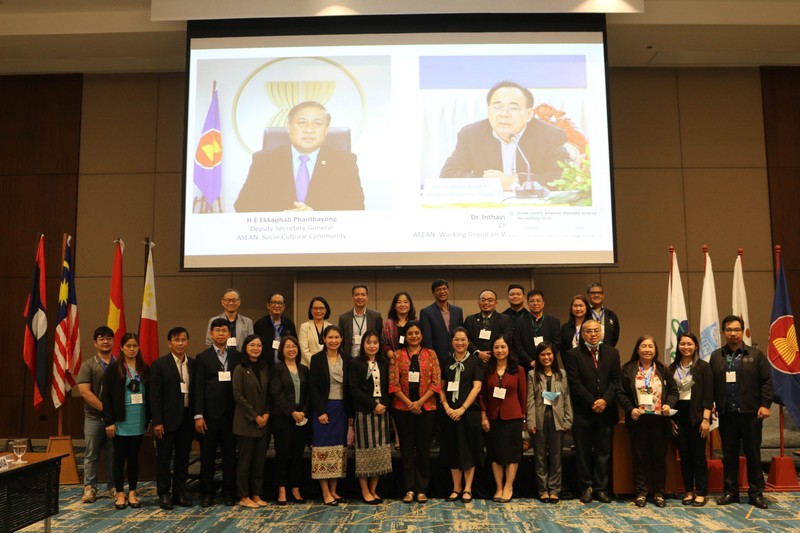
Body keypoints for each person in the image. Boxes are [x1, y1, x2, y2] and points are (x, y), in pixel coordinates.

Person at [234, 100, 365, 212]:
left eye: (317, 124)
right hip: (277, 237)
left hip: (325, 239)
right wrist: (280, 218)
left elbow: (356, 208)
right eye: (302, 122)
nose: (309, 130)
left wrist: (317, 217)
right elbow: (243, 206)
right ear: (289, 127)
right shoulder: (264, 161)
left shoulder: (345, 163)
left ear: (326, 130)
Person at [439, 80, 569, 189]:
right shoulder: (471, 134)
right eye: (497, 107)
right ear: (489, 111)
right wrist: (487, 181)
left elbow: (564, 177)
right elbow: (448, 175)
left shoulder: (550, 136)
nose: (504, 114)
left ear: (529, 114)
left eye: (513, 108)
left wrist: (513, 181)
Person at [710, 315, 773, 509]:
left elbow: (767, 382)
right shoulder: (716, 356)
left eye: (737, 330)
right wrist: (711, 403)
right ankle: (731, 492)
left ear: (743, 331)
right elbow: (711, 383)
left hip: (751, 414)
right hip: (726, 414)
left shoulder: (755, 355)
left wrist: (765, 405)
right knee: (728, 454)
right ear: (723, 332)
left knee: (753, 454)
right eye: (729, 330)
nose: (733, 334)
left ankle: (756, 493)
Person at [616, 335, 678, 508]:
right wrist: (630, 409)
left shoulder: (663, 369)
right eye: (643, 346)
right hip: (638, 420)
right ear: (637, 349)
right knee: (639, 458)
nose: (647, 350)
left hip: (659, 421)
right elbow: (620, 392)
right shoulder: (628, 369)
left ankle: (659, 492)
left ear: (655, 350)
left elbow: (674, 391)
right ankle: (641, 493)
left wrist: (668, 405)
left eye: (650, 346)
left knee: (659, 458)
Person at [563, 319, 620, 504]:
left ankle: (601, 488)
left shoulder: (612, 353)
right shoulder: (573, 354)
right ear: (582, 334)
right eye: (589, 331)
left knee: (604, 452)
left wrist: (604, 400)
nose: (593, 334)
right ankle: (585, 487)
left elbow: (615, 381)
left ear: (601, 333)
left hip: (606, 411)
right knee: (583, 452)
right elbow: (575, 383)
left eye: (596, 331)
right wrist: (592, 402)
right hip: (583, 412)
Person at [389, 321, 441, 503]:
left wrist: (419, 402)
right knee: (407, 452)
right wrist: (410, 403)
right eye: (410, 333)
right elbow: (393, 384)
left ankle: (422, 490)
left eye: (417, 333)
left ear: (421, 335)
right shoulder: (397, 355)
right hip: (403, 409)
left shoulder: (431, 354)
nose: (414, 336)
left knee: (423, 450)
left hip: (426, 408)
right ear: (406, 336)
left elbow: (436, 383)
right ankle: (409, 489)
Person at [194, 318, 241, 507]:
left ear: (229, 334)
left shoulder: (237, 356)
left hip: (232, 416)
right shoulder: (202, 357)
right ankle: (207, 493)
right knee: (208, 457)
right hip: (210, 416)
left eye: (224, 330)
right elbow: (198, 388)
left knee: (230, 456)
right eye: (217, 331)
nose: (221, 334)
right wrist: (198, 415)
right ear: (211, 334)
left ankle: (229, 492)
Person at [101, 333, 149, 510]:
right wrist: (109, 421)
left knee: (134, 458)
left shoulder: (144, 368)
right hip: (120, 422)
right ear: (121, 347)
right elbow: (106, 397)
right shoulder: (114, 369)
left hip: (138, 421)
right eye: (128, 345)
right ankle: (120, 494)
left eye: (135, 345)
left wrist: (149, 419)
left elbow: (150, 396)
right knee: (119, 458)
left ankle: (132, 493)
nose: (131, 349)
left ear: (139, 348)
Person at [150, 327, 195, 510]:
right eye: (176, 340)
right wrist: (157, 421)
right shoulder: (160, 364)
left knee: (183, 457)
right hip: (166, 420)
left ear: (187, 342)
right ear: (169, 343)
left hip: (187, 418)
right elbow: (155, 396)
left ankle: (180, 493)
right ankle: (163, 493)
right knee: (164, 457)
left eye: (183, 340)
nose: (180, 343)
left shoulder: (193, 364)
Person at [439, 327, 483, 504]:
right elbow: (441, 388)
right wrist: (447, 407)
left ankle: (467, 488)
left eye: (463, 340)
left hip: (468, 413)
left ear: (468, 342)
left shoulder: (475, 362)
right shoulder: (446, 361)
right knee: (453, 450)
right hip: (449, 413)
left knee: (468, 451)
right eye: (457, 339)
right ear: (452, 341)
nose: (460, 343)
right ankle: (456, 488)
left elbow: (477, 387)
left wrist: (462, 409)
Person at [668, 332, 713, 507]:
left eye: (689, 344)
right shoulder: (671, 368)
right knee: (684, 456)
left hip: (697, 416)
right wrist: (669, 418)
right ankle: (688, 491)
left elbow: (709, 395)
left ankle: (701, 492)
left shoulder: (703, 367)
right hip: (678, 415)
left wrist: (706, 419)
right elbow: (668, 396)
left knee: (698, 456)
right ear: (678, 346)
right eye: (682, 344)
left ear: (695, 346)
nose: (686, 347)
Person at [480, 335, 526, 503]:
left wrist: (524, 419)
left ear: (509, 349)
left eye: (503, 347)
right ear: (492, 350)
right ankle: (499, 487)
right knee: (495, 453)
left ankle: (508, 486)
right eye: (496, 347)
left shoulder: (518, 370)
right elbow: (482, 395)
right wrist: (483, 414)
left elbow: (523, 395)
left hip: (513, 417)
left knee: (512, 455)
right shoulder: (487, 370)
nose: (499, 350)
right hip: (493, 417)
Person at [348, 330, 392, 504]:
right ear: (363, 345)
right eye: (369, 342)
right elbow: (354, 389)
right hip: (364, 411)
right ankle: (365, 491)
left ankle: (374, 490)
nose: (372, 345)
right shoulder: (355, 363)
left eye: (375, 342)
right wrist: (373, 405)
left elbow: (388, 386)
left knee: (380, 452)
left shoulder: (383, 362)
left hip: (382, 412)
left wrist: (384, 405)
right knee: (365, 453)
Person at [309, 325, 351, 506]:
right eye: (330, 337)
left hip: (342, 408)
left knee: (338, 450)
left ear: (341, 339)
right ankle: (325, 492)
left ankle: (334, 490)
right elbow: (313, 388)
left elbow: (350, 388)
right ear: (324, 339)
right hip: (324, 409)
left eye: (337, 337)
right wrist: (320, 411)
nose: (333, 341)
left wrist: (350, 413)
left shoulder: (348, 359)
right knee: (322, 450)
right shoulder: (317, 359)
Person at [526, 341, 572, 504]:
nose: (546, 357)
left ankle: (554, 489)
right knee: (539, 457)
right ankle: (543, 490)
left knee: (556, 456)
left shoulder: (562, 374)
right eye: (543, 354)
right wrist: (530, 421)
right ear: (538, 357)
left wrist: (568, 419)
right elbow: (530, 400)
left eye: (549, 354)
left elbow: (566, 397)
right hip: (539, 419)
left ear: (554, 355)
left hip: (557, 419)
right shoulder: (532, 374)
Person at [77, 326, 117, 504]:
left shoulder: (120, 364)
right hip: (94, 418)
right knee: (91, 454)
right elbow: (85, 393)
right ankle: (90, 488)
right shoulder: (88, 365)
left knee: (113, 453)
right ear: (95, 343)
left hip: (116, 420)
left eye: (109, 338)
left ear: (113, 341)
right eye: (101, 338)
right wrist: (106, 410)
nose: (105, 341)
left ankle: (114, 486)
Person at [270, 334, 310, 505]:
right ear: (282, 350)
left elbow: (309, 394)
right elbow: (276, 394)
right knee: (283, 454)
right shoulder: (276, 369)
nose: (291, 349)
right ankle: (281, 488)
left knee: (297, 454)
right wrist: (292, 412)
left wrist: (302, 412)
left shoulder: (304, 369)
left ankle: (295, 487)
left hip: (302, 418)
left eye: (294, 346)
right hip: (283, 418)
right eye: (287, 346)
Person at [232, 334, 270, 508]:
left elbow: (269, 393)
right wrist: (255, 416)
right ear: (245, 347)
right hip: (246, 422)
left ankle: (256, 494)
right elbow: (238, 396)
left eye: (259, 345)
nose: (256, 348)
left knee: (259, 462)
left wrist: (267, 414)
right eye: (252, 345)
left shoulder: (264, 368)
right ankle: (243, 495)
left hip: (263, 423)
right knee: (245, 461)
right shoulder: (240, 368)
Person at [419, 278, 464, 370]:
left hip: (457, 356)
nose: (442, 291)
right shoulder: (426, 312)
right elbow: (427, 339)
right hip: (436, 358)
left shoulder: (458, 311)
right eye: (438, 290)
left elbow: (461, 334)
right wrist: (431, 358)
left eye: (444, 288)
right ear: (433, 293)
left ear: (448, 290)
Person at [463, 289, 513, 366]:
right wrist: (477, 352)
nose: (486, 303)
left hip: (497, 361)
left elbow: (508, 339)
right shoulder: (470, 319)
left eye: (490, 300)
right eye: (483, 300)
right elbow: (466, 339)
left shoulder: (504, 319)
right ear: (479, 302)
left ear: (496, 303)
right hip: (474, 361)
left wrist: (493, 353)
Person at [514, 289, 562, 369]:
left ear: (543, 303)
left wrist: (545, 358)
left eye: (538, 300)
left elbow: (556, 344)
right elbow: (518, 345)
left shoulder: (554, 321)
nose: (535, 303)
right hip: (527, 365)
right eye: (532, 301)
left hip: (548, 363)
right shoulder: (519, 322)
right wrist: (530, 361)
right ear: (528, 303)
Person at [337, 284, 383, 358]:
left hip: (369, 357)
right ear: (352, 297)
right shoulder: (344, 317)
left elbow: (379, 338)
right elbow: (341, 340)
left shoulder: (376, 316)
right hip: (350, 358)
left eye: (363, 294)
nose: (360, 297)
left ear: (367, 297)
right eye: (357, 294)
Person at [253, 293, 298, 367]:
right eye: (274, 302)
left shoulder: (289, 324)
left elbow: (295, 346)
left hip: (285, 366)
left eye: (280, 303)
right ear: (268, 305)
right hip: (265, 366)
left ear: (283, 307)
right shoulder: (260, 324)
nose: (277, 305)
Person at [298, 296, 333, 367]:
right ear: (311, 310)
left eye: (321, 308)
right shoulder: (305, 326)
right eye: (315, 308)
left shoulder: (330, 327)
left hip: (327, 366)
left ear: (326, 310)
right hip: (308, 366)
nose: (318, 311)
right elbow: (304, 350)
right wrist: (316, 364)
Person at [381, 291, 417, 359]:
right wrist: (390, 353)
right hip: (394, 359)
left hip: (413, 358)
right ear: (394, 306)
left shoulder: (416, 322)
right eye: (399, 302)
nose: (403, 305)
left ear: (410, 305)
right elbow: (383, 342)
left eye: (406, 302)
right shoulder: (388, 323)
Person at [586, 283, 620, 347]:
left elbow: (615, 336)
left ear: (603, 295)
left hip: (607, 351)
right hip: (587, 351)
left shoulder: (611, 315)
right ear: (588, 296)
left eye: (599, 293)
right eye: (593, 293)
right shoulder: (584, 313)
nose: (596, 295)